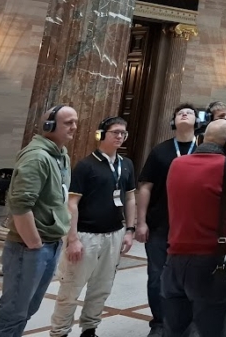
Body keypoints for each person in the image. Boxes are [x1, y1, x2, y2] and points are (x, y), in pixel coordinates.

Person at [0, 105, 77, 337]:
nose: (74, 127)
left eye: (75, 122)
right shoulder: (37, 157)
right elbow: (20, 204)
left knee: (28, 308)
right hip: (28, 248)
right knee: (13, 311)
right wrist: (34, 243)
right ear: (49, 125)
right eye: (68, 122)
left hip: (50, 243)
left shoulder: (61, 155)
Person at [161, 119, 226, 337]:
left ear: (201, 138)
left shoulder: (177, 163)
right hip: (210, 262)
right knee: (212, 330)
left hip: (173, 260)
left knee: (175, 331)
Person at [49, 116, 137, 337]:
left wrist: (129, 230)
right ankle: (60, 332)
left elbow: (130, 198)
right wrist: (73, 238)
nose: (120, 136)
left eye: (123, 133)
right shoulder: (86, 165)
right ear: (101, 134)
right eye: (115, 132)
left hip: (114, 233)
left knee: (102, 287)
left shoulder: (126, 164)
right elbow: (72, 204)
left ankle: (89, 329)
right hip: (86, 235)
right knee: (71, 287)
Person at [135, 103, 199, 337]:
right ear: (173, 121)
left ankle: (187, 322)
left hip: (193, 227)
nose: (184, 114)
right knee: (156, 276)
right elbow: (145, 187)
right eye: (180, 113)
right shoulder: (160, 151)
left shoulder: (204, 151)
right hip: (160, 224)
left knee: (190, 277)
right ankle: (159, 322)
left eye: (189, 113)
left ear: (197, 121)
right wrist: (141, 222)